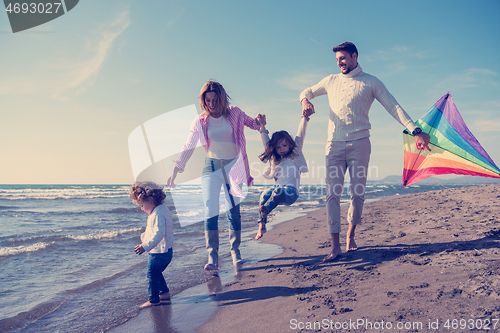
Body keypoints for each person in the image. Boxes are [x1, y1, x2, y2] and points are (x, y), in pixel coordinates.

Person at [300, 41, 430, 262]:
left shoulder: (370, 82)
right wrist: (304, 101)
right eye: (337, 60)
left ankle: (350, 235)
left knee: (357, 194)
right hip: (334, 144)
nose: (339, 62)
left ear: (354, 56)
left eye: (343, 58)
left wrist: (415, 130)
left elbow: (393, 106)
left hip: (360, 143)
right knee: (332, 194)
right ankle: (335, 246)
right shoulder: (331, 81)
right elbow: (308, 91)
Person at [167, 80, 264, 271]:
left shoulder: (234, 112)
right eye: (207, 100)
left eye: (214, 100)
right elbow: (188, 145)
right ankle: (213, 258)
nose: (211, 104)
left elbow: (253, 124)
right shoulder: (200, 120)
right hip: (211, 167)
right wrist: (175, 170)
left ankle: (236, 252)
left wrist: (260, 121)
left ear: (221, 98)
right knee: (210, 210)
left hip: (234, 167)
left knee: (232, 211)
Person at [254, 110, 312, 240]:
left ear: (290, 144)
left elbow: (301, 133)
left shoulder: (296, 152)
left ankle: (267, 209)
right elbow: (266, 142)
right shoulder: (275, 158)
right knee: (264, 195)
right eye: (278, 147)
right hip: (277, 193)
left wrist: (305, 117)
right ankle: (261, 225)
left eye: (284, 146)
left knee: (279, 190)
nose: (281, 149)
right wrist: (262, 127)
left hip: (291, 193)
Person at [130, 181, 174, 309]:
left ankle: (154, 299)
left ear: (150, 199)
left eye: (142, 205)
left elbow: (158, 234)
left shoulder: (158, 214)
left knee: (152, 274)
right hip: (166, 251)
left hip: (159, 252)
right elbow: (155, 230)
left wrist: (145, 246)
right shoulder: (162, 209)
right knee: (156, 273)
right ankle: (164, 293)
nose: (142, 209)